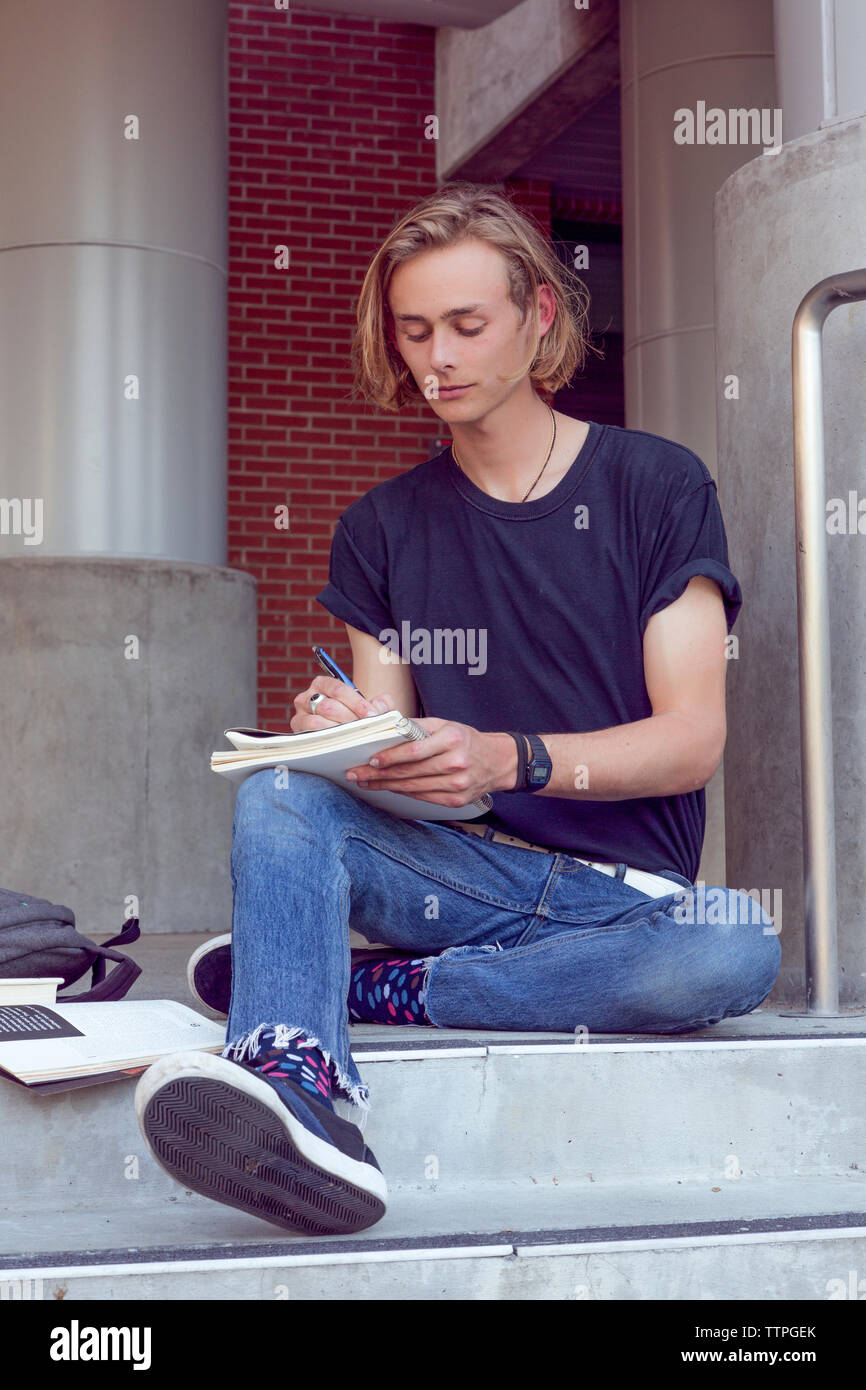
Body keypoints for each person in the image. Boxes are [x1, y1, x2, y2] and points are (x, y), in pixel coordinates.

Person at [134, 183, 781, 1239]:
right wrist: (349, 737)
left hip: (618, 903)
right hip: (457, 875)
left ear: (537, 316)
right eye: (414, 329)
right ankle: (294, 1080)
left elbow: (688, 743)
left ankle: (373, 987)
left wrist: (507, 757)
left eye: (465, 326)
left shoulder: (655, 486)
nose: (436, 356)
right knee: (286, 793)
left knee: (732, 945)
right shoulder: (379, 529)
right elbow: (399, 775)